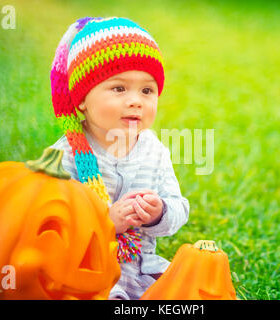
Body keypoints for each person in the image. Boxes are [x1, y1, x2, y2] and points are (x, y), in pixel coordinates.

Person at [49, 16, 190, 300]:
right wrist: (105, 223)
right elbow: (52, 227)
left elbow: (179, 209)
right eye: (119, 88)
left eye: (147, 90)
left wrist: (158, 212)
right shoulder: (64, 156)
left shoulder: (155, 151)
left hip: (141, 269)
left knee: (187, 290)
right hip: (87, 271)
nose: (136, 100)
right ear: (82, 100)